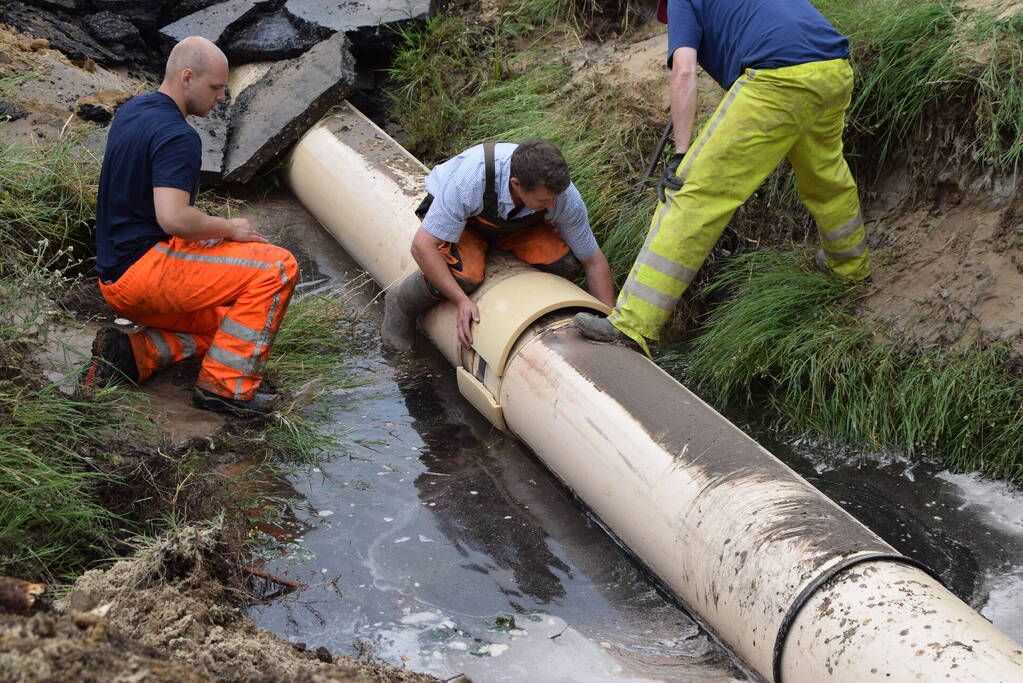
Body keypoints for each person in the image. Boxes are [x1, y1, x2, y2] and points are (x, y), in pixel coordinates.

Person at [575, 0, 869, 355]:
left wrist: (681, 154)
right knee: (825, 176)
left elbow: (683, 72)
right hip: (833, 69)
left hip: (777, 79)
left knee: (694, 193)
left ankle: (632, 324)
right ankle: (850, 266)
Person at [82, 36, 298, 416]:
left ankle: (130, 355)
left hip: (114, 275)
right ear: (186, 77)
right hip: (145, 271)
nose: (220, 98)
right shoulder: (178, 136)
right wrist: (227, 228)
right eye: (215, 87)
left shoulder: (133, 110)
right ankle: (224, 390)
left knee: (231, 327)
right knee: (277, 268)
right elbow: (174, 218)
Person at [382, 139, 615, 351]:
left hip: (513, 227)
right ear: (516, 184)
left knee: (565, 262)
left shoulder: (562, 197)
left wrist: (608, 321)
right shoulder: (473, 178)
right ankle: (402, 303)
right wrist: (461, 301)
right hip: (465, 226)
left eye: (555, 198)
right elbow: (422, 247)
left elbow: (592, 260)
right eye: (544, 201)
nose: (553, 205)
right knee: (464, 277)